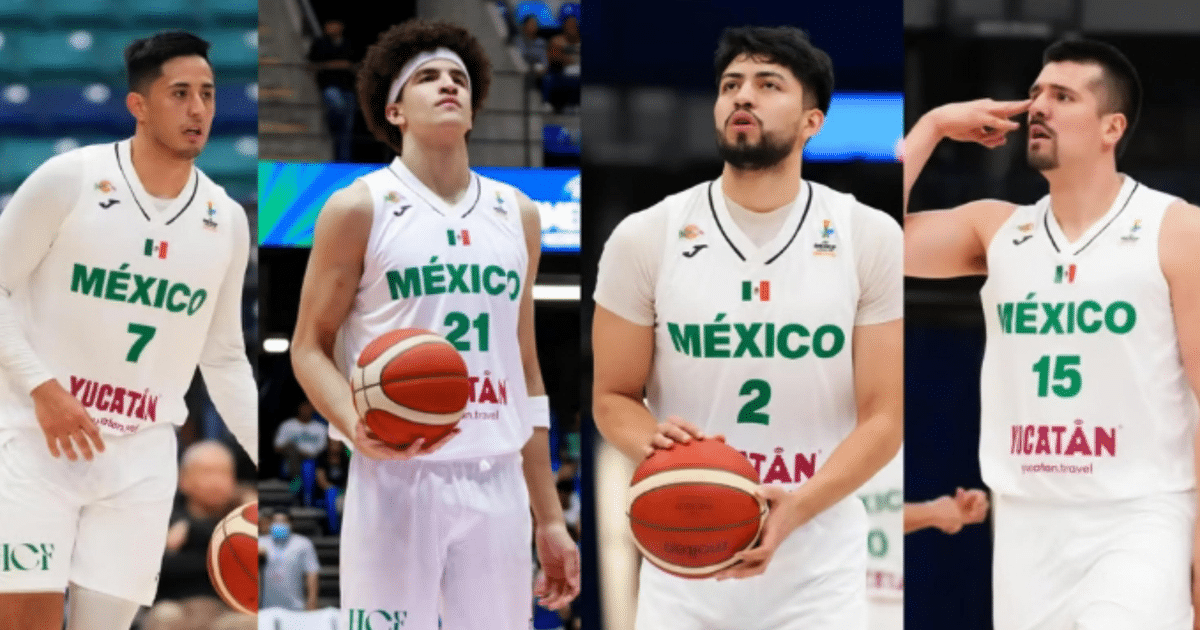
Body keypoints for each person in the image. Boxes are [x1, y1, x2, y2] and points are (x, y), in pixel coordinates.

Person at [593, 25, 903, 630]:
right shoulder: (644, 236)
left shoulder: (869, 236)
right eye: (731, 85)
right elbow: (612, 397)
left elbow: (885, 416)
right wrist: (654, 446)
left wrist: (795, 508)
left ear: (812, 122)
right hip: (683, 560)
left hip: (817, 566)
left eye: (768, 85)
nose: (743, 97)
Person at [289, 19, 580, 630]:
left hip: (496, 477)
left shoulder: (518, 214)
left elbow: (526, 369)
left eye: (459, 78)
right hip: (398, 474)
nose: (448, 85)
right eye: (427, 77)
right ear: (394, 109)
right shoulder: (358, 206)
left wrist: (549, 517)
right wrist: (353, 421)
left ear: (473, 110)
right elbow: (308, 349)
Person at [903, 38, 1200, 629]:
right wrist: (932, 126)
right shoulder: (996, 228)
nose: (1038, 106)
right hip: (1025, 524)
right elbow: (860, 245)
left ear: (1111, 126)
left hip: (1138, 517)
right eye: (1036, 92)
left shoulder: (1176, 229)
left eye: (1062, 96)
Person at [0, 31, 257, 630]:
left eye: (209, 94)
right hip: (36, 442)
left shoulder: (225, 220)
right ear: (139, 106)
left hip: (141, 458)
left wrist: (258, 461)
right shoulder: (70, 180)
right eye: (180, 94)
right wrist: (41, 386)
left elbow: (223, 359)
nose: (198, 110)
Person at [153, 441, 243, 628]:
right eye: (207, 472)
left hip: (228, 612)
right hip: (175, 606)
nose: (216, 481)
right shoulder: (161, 517)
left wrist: (193, 533)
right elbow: (157, 570)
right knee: (165, 616)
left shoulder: (244, 518)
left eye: (224, 473)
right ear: (183, 479)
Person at [308, 18, 358, 162]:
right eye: (327, 24)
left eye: (333, 24)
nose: (329, 27)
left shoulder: (350, 43)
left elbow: (355, 64)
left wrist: (344, 65)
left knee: (347, 129)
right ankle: (331, 126)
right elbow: (313, 64)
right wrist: (338, 65)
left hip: (348, 88)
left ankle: (343, 162)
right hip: (329, 85)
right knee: (337, 107)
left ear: (341, 26)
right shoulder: (320, 43)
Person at [259, 510, 320, 611]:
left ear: (291, 524)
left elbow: (312, 573)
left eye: (283, 522)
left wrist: (312, 601)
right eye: (276, 522)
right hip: (266, 607)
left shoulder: (303, 544)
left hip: (296, 607)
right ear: (270, 524)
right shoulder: (260, 543)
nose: (279, 525)